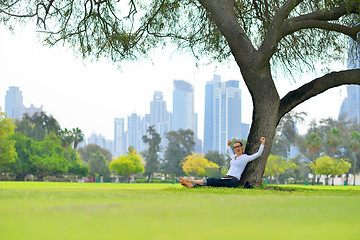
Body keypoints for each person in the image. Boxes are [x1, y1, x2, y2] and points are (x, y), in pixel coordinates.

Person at [180, 137, 266, 188]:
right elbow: (230, 153)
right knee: (212, 179)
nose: (237, 148)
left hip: (233, 181)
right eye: (235, 147)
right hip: (226, 178)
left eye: (238, 146)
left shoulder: (245, 157)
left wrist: (262, 143)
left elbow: (258, 154)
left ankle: (190, 181)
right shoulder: (234, 157)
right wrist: (228, 146)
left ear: (242, 146)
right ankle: (191, 186)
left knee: (212, 180)